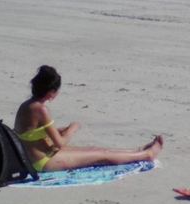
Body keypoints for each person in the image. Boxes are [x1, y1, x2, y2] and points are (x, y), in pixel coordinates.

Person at [14, 65, 163, 172]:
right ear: (50, 94)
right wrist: (72, 130)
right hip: (43, 162)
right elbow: (60, 144)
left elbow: (30, 134)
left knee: (96, 150)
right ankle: (147, 155)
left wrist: (58, 131)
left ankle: (138, 150)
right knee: (102, 155)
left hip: (36, 157)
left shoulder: (26, 106)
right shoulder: (41, 110)